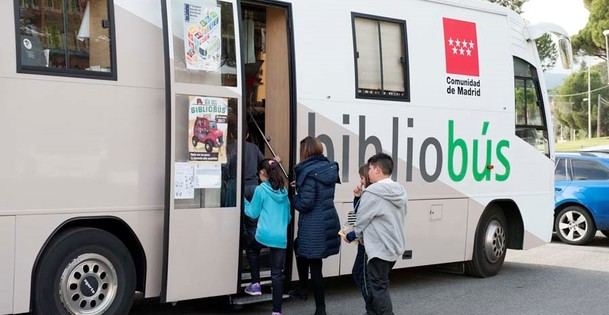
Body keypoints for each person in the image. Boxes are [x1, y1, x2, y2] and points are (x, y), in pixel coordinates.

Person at [344, 153, 407, 315]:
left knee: (378, 288)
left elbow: (361, 219)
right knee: (380, 286)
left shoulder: (373, 192)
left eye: (370, 168)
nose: (369, 171)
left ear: (378, 170)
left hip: (377, 249)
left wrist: (351, 235)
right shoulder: (400, 190)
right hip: (393, 247)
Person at [292, 136, 341, 315]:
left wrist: (293, 196)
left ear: (305, 152)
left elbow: (305, 204)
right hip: (326, 219)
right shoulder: (326, 168)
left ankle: (321, 308)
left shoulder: (308, 172)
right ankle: (303, 289)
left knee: (315, 265)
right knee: (299, 247)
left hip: (314, 224)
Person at [244, 159, 291, 315]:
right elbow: (289, 217)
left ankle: (256, 283)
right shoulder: (284, 191)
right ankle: (277, 312)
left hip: (263, 235)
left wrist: (242, 201)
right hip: (280, 237)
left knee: (251, 249)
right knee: (277, 274)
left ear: (263, 173)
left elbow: (252, 213)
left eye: (259, 173)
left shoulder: (261, 189)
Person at [351, 164, 372, 313]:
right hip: (363, 243)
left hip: (367, 244)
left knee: (363, 277)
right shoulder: (365, 195)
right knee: (359, 275)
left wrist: (352, 234)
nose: (361, 181)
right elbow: (356, 215)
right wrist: (357, 198)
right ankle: (371, 308)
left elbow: (361, 219)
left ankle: (372, 309)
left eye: (362, 178)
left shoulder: (371, 196)